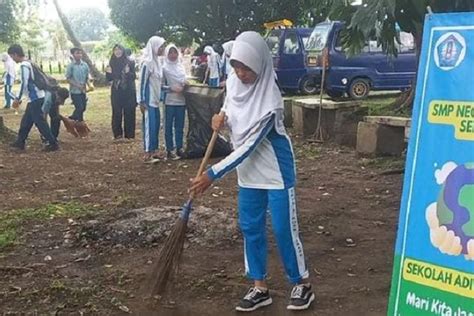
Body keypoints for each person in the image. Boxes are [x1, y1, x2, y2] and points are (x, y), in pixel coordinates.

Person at [190, 32, 314, 312]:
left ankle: (302, 283)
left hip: (276, 171)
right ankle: (260, 287)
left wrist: (212, 174)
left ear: (261, 64)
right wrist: (220, 118)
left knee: (284, 229)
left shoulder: (271, 99)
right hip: (247, 172)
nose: (241, 73)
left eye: (247, 68)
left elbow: (248, 146)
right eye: (237, 66)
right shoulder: (233, 81)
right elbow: (228, 107)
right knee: (250, 227)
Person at [8, 44, 59, 152]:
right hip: (36, 97)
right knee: (26, 121)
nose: (12, 59)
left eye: (12, 56)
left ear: (16, 54)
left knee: (40, 122)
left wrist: (17, 98)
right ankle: (20, 141)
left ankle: (52, 143)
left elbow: (24, 83)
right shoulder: (30, 63)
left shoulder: (24, 65)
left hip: (35, 97)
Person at [137, 36, 166, 163]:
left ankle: (154, 150)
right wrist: (141, 101)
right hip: (148, 100)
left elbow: (159, 84)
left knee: (155, 125)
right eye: (161, 47)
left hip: (155, 99)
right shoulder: (147, 63)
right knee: (149, 126)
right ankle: (147, 153)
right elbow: (142, 83)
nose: (162, 49)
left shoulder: (158, 63)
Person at [106, 44, 137, 140]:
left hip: (129, 91)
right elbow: (109, 79)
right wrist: (108, 73)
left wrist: (128, 72)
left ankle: (129, 135)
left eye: (119, 49)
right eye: (115, 50)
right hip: (116, 91)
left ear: (123, 51)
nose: (117, 51)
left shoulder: (130, 62)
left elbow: (133, 77)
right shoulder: (111, 63)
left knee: (129, 113)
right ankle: (117, 134)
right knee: (116, 113)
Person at [163, 44, 187, 160]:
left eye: (175, 52)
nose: (173, 55)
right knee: (168, 126)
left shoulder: (181, 67)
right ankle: (169, 149)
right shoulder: (164, 68)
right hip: (170, 100)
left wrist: (184, 85)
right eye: (170, 53)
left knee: (180, 125)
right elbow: (161, 86)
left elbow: (184, 79)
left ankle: (179, 147)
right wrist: (171, 88)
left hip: (181, 100)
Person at [66, 47, 89, 122]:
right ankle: (80, 123)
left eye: (80, 53)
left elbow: (87, 77)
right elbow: (68, 78)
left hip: (83, 91)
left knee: (83, 107)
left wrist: (88, 85)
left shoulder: (85, 65)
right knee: (79, 107)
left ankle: (73, 117)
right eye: (77, 53)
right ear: (73, 55)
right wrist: (77, 85)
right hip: (74, 91)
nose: (79, 55)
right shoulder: (71, 66)